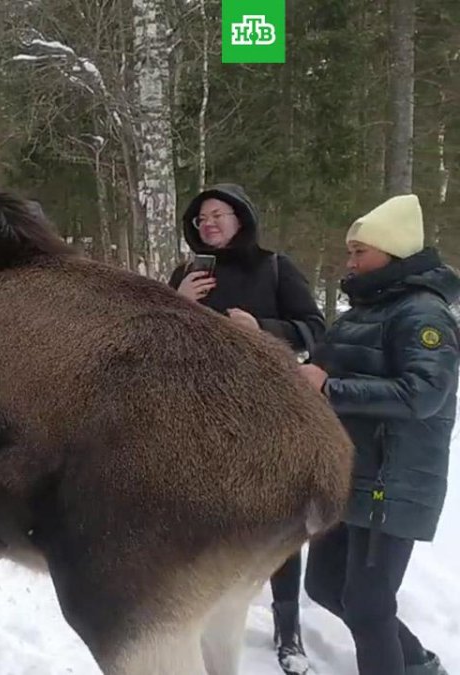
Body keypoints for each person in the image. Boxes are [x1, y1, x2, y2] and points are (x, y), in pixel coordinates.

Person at [168, 183, 325, 674]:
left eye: (218, 214)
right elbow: (153, 337)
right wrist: (176, 301)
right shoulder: (186, 274)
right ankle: (201, 613)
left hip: (264, 413)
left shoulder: (275, 267)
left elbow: (315, 329)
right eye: (201, 218)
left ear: (241, 218)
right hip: (198, 412)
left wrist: (263, 330)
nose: (208, 223)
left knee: (277, 519)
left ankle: (288, 631)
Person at [299, 194, 457, 675]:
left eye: (359, 251)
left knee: (368, 605)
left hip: (393, 479)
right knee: (325, 586)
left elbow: (423, 394)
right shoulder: (363, 311)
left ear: (392, 251)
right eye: (350, 251)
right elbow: (325, 366)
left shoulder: (423, 314)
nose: (350, 261)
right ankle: (417, 663)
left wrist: (331, 389)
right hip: (350, 472)